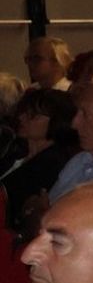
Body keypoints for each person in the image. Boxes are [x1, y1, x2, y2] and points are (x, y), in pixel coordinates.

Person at [1, 89, 77, 237]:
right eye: (23, 112)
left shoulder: (54, 163)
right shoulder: (17, 149)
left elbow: (20, 207)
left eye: (33, 116)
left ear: (57, 121)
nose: (22, 118)